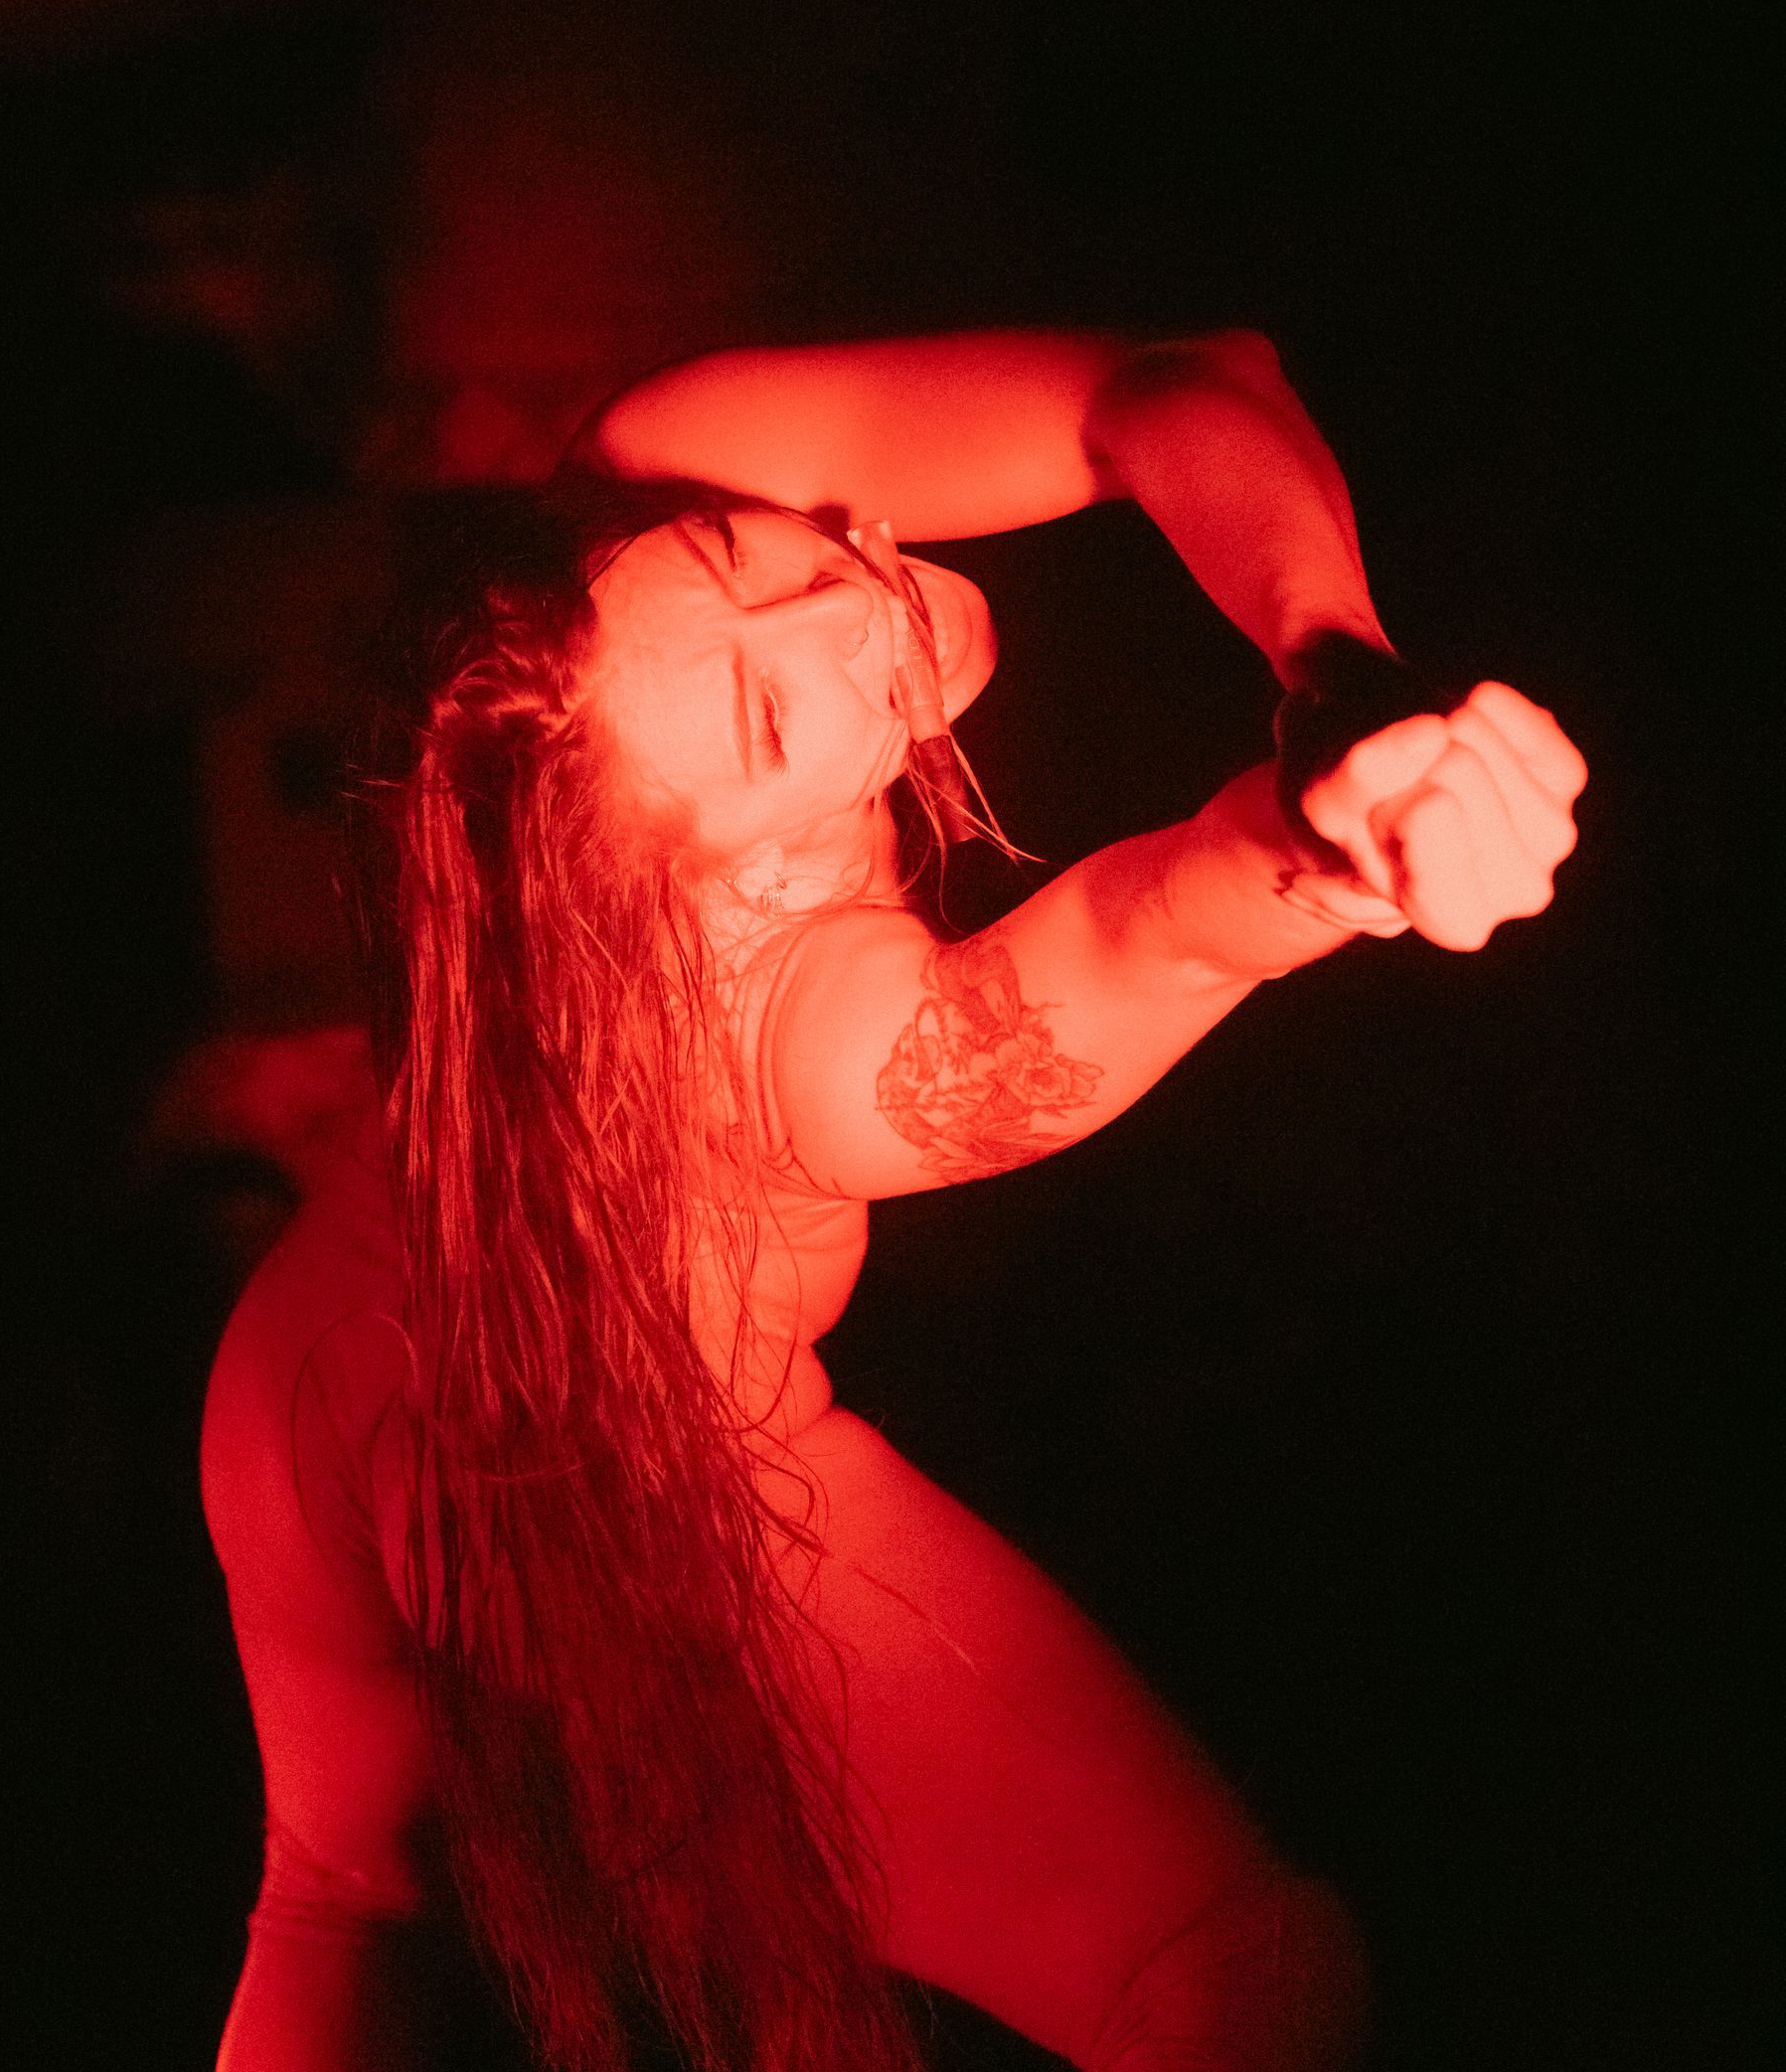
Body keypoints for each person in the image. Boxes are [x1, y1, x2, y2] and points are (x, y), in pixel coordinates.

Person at [201, 327, 1585, 2071]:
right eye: (779, 720)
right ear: (749, 864)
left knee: (335, 1894)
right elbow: (1147, 928)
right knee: (1240, 1983)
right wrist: (1328, 849)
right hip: (587, 1443)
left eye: (748, 567)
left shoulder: (650, 486)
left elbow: (1174, 383)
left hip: (297, 1373)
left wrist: (1339, 666)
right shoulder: (815, 1040)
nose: (853, 609)